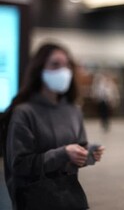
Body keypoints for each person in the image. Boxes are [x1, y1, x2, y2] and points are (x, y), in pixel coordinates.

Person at [0, 42, 105, 210]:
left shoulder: (73, 110)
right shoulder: (24, 112)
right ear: (40, 69)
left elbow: (77, 151)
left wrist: (89, 154)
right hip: (35, 200)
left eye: (66, 65)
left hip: (69, 199)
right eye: (55, 64)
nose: (63, 71)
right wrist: (63, 154)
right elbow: (19, 165)